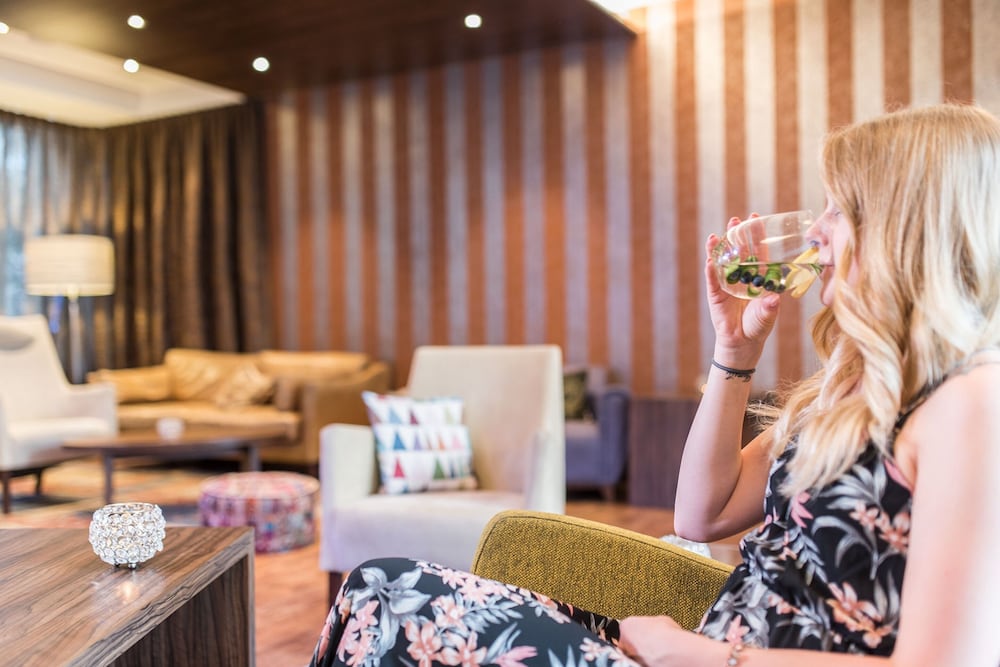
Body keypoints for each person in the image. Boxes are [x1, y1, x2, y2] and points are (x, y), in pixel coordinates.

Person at [307, 103, 1000, 666]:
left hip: (709, 658)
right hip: (700, 647)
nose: (816, 231)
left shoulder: (969, 402)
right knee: (373, 585)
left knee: (386, 596)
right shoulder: (845, 389)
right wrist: (734, 350)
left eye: (838, 209)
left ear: (906, 226)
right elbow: (700, 515)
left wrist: (698, 653)